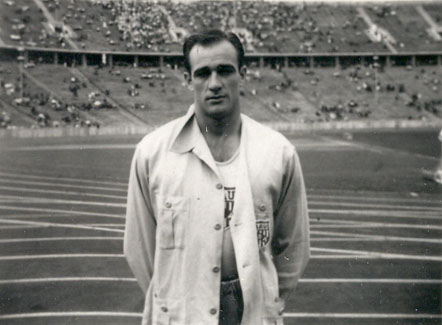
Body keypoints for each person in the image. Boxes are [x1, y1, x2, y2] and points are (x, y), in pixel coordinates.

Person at [124, 29, 310, 325]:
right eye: (202, 73)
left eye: (224, 71)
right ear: (187, 79)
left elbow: (294, 247)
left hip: (252, 312)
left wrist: (267, 297)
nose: (214, 84)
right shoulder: (153, 153)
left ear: (242, 74)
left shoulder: (278, 152)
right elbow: (139, 248)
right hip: (182, 311)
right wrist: (175, 298)